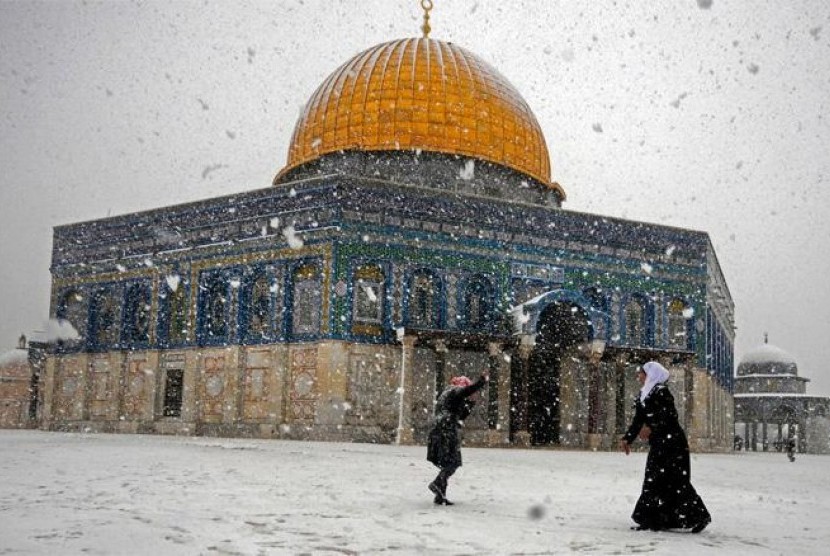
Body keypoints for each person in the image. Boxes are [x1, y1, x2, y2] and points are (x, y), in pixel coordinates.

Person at [619, 361, 711, 533]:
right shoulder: (643, 395)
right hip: (660, 443)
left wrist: (652, 426)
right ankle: (651, 519)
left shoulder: (662, 392)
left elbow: (669, 415)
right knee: (654, 480)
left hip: (673, 443)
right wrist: (627, 439)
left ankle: (699, 516)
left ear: (651, 375)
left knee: (676, 480)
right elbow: (638, 420)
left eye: (642, 373)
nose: (638, 376)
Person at [426, 372, 488, 505]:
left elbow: (460, 416)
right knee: (453, 461)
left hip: (439, 430)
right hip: (446, 430)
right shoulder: (456, 391)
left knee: (447, 462)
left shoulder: (447, 394)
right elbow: (466, 392)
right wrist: (481, 381)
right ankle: (437, 484)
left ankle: (440, 496)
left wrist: (470, 404)